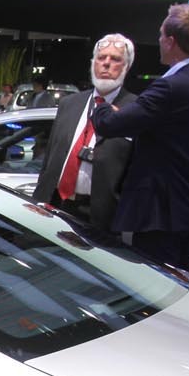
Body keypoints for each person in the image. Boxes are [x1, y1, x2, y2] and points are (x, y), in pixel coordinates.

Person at [92, 3, 189, 270]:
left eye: (160, 35)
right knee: (179, 278)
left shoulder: (169, 87)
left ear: (170, 42)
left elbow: (109, 125)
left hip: (158, 213)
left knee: (153, 282)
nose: (158, 41)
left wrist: (102, 102)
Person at [32, 34, 137, 240]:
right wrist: (39, 200)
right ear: (92, 63)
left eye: (115, 59)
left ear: (126, 67)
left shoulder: (135, 109)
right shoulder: (70, 103)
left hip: (101, 217)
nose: (106, 63)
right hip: (56, 206)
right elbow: (49, 158)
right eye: (101, 57)